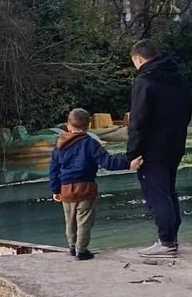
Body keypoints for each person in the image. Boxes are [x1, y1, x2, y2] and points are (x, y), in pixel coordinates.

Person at [126, 39, 192, 256]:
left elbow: (138, 120)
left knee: (157, 194)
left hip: (151, 148)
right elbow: (188, 110)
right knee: (169, 191)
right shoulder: (179, 78)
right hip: (175, 143)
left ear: (138, 58)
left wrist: (133, 152)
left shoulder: (145, 81)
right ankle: (171, 236)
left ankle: (166, 241)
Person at [49, 108, 141, 260]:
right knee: (84, 220)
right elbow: (108, 163)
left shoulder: (59, 146)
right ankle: (82, 250)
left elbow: (53, 170)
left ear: (68, 126)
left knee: (70, 220)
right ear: (89, 126)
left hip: (65, 189)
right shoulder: (90, 143)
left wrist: (55, 189)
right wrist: (128, 164)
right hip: (85, 188)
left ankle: (72, 247)